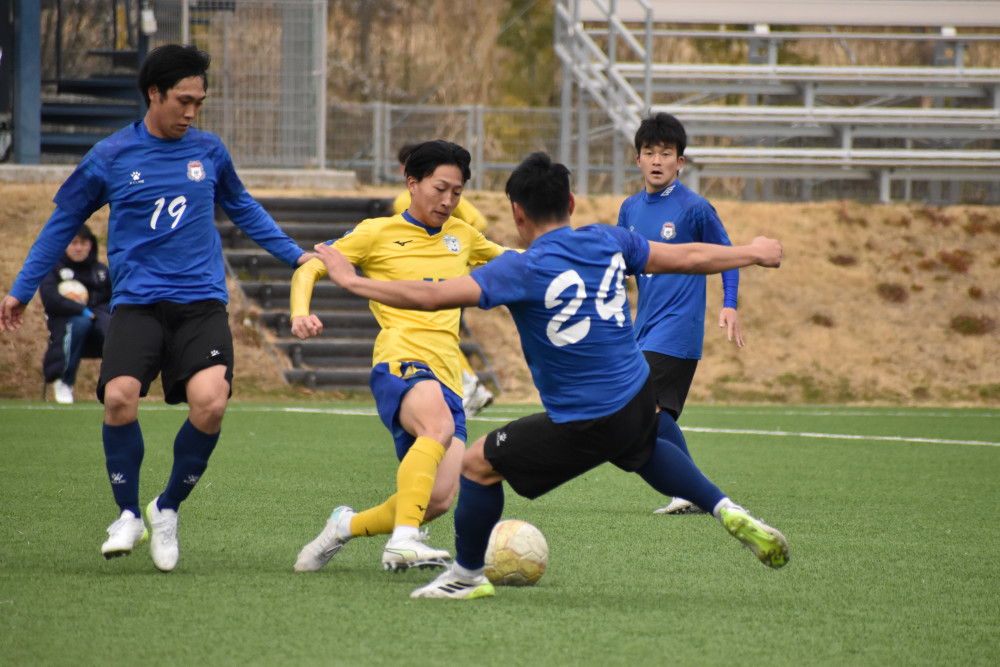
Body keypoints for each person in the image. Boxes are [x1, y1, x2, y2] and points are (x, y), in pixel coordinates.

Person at [314, 152, 789, 600]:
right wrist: (751, 251)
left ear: (518, 215)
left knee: (477, 465)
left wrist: (352, 280)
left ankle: (466, 575)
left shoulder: (518, 269)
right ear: (572, 204)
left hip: (588, 416)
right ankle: (729, 509)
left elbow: (429, 296)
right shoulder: (611, 240)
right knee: (639, 448)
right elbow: (687, 258)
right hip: (638, 391)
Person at [0, 44, 312, 572]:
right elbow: (60, 223)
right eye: (183, 101)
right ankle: (128, 515)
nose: (191, 113)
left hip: (201, 303)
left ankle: (166, 508)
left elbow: (245, 209)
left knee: (211, 403)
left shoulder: (209, 153)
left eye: (199, 102)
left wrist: (297, 254)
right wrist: (22, 287)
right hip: (138, 304)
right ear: (154, 94)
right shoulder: (110, 155)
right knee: (119, 398)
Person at [290, 139, 509, 573]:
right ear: (412, 183)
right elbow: (314, 265)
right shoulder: (376, 231)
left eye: (457, 193)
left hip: (447, 374)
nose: (448, 202)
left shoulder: (463, 236)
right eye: (439, 189)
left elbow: (514, 261)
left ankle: (344, 527)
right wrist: (300, 312)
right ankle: (403, 542)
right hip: (400, 359)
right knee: (438, 425)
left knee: (438, 500)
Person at [618, 112, 741, 515]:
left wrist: (729, 303)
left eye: (666, 153)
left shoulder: (695, 208)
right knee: (650, 417)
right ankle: (691, 491)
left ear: (680, 162)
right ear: (637, 159)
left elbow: (728, 255)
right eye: (649, 152)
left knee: (640, 410)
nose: (657, 160)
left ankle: (694, 491)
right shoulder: (629, 209)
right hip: (643, 330)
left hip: (677, 331)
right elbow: (622, 267)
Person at [393, 142, 494, 418]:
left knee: (439, 333)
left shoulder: (408, 201)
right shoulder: (412, 202)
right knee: (443, 334)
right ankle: (468, 386)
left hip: (440, 281)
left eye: (455, 192)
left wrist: (457, 247)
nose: (448, 200)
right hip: (442, 280)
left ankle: (468, 385)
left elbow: (478, 225)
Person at [39, 224, 111, 404]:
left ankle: (112, 384)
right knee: (80, 323)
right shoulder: (54, 269)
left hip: (98, 323)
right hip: (64, 324)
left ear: (90, 245)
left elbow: (112, 297)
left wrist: (98, 313)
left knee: (116, 329)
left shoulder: (100, 271)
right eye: (74, 243)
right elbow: (51, 298)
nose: (78, 247)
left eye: (83, 243)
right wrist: (82, 310)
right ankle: (63, 380)